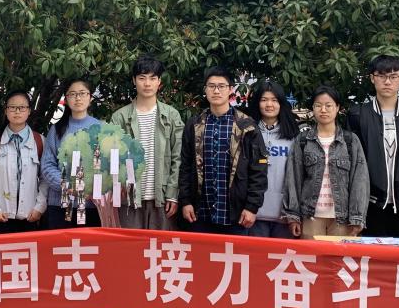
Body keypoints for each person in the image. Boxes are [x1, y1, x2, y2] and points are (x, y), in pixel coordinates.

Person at [178, 66, 269, 236]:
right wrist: (185, 201)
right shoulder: (194, 125)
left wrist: (252, 207)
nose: (216, 91)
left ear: (230, 90)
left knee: (234, 254)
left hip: (236, 215)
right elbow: (185, 166)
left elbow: (259, 170)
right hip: (200, 213)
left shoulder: (246, 126)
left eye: (221, 86)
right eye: (211, 86)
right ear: (205, 90)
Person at [347, 55, 399, 238]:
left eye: (393, 76)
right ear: (372, 78)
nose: (387, 82)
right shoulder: (358, 115)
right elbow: (351, 159)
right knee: (372, 253)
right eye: (381, 76)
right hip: (370, 202)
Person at [282, 85, 368, 238]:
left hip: (342, 220)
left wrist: (357, 217)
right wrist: (293, 216)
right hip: (310, 217)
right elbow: (293, 179)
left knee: (339, 255)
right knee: (311, 254)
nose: (323, 110)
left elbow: (360, 181)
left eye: (328, 105)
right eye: (318, 105)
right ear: (313, 109)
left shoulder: (350, 141)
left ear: (337, 108)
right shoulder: (302, 141)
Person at [109, 55, 183, 230]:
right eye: (142, 78)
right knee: (131, 246)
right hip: (129, 199)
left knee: (161, 246)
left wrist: (173, 194)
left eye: (152, 78)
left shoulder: (171, 116)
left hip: (162, 198)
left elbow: (178, 157)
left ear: (159, 82)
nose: (147, 84)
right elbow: (112, 158)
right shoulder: (119, 117)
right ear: (134, 81)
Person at [0, 90, 47, 234]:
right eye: (12, 107)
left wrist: (39, 207)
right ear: (6, 110)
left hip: (30, 215)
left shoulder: (40, 141)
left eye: (22, 107)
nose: (17, 111)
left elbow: (45, 179)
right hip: (2, 216)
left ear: (29, 111)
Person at [41, 77, 102, 229]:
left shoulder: (101, 129)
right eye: (72, 94)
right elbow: (47, 165)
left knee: (88, 244)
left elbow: (105, 166)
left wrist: (92, 187)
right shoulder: (57, 129)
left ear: (90, 97)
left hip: (91, 205)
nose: (78, 98)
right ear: (66, 99)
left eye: (82, 93)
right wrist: (66, 185)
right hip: (60, 205)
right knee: (61, 243)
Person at [245, 79, 300, 238]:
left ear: (281, 103)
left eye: (274, 100)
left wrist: (295, 213)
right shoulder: (247, 132)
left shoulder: (294, 135)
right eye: (264, 100)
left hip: (285, 216)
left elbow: (298, 176)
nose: (269, 104)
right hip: (253, 214)